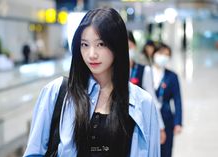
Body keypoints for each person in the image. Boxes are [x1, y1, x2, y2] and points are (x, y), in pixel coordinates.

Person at [23, 8, 160, 157]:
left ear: (117, 45)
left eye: (100, 44)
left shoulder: (142, 103)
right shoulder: (56, 92)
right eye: (85, 44)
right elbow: (34, 153)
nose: (91, 54)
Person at [143, 43, 182, 157]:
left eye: (167, 55)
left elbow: (177, 99)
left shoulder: (172, 76)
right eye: (161, 53)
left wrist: (178, 122)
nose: (163, 57)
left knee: (165, 150)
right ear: (154, 54)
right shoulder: (145, 72)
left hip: (166, 117)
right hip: (148, 116)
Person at [128, 31, 166, 145]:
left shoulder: (144, 70)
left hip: (138, 124)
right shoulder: (111, 72)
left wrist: (160, 126)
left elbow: (152, 98)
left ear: (134, 46)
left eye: (129, 46)